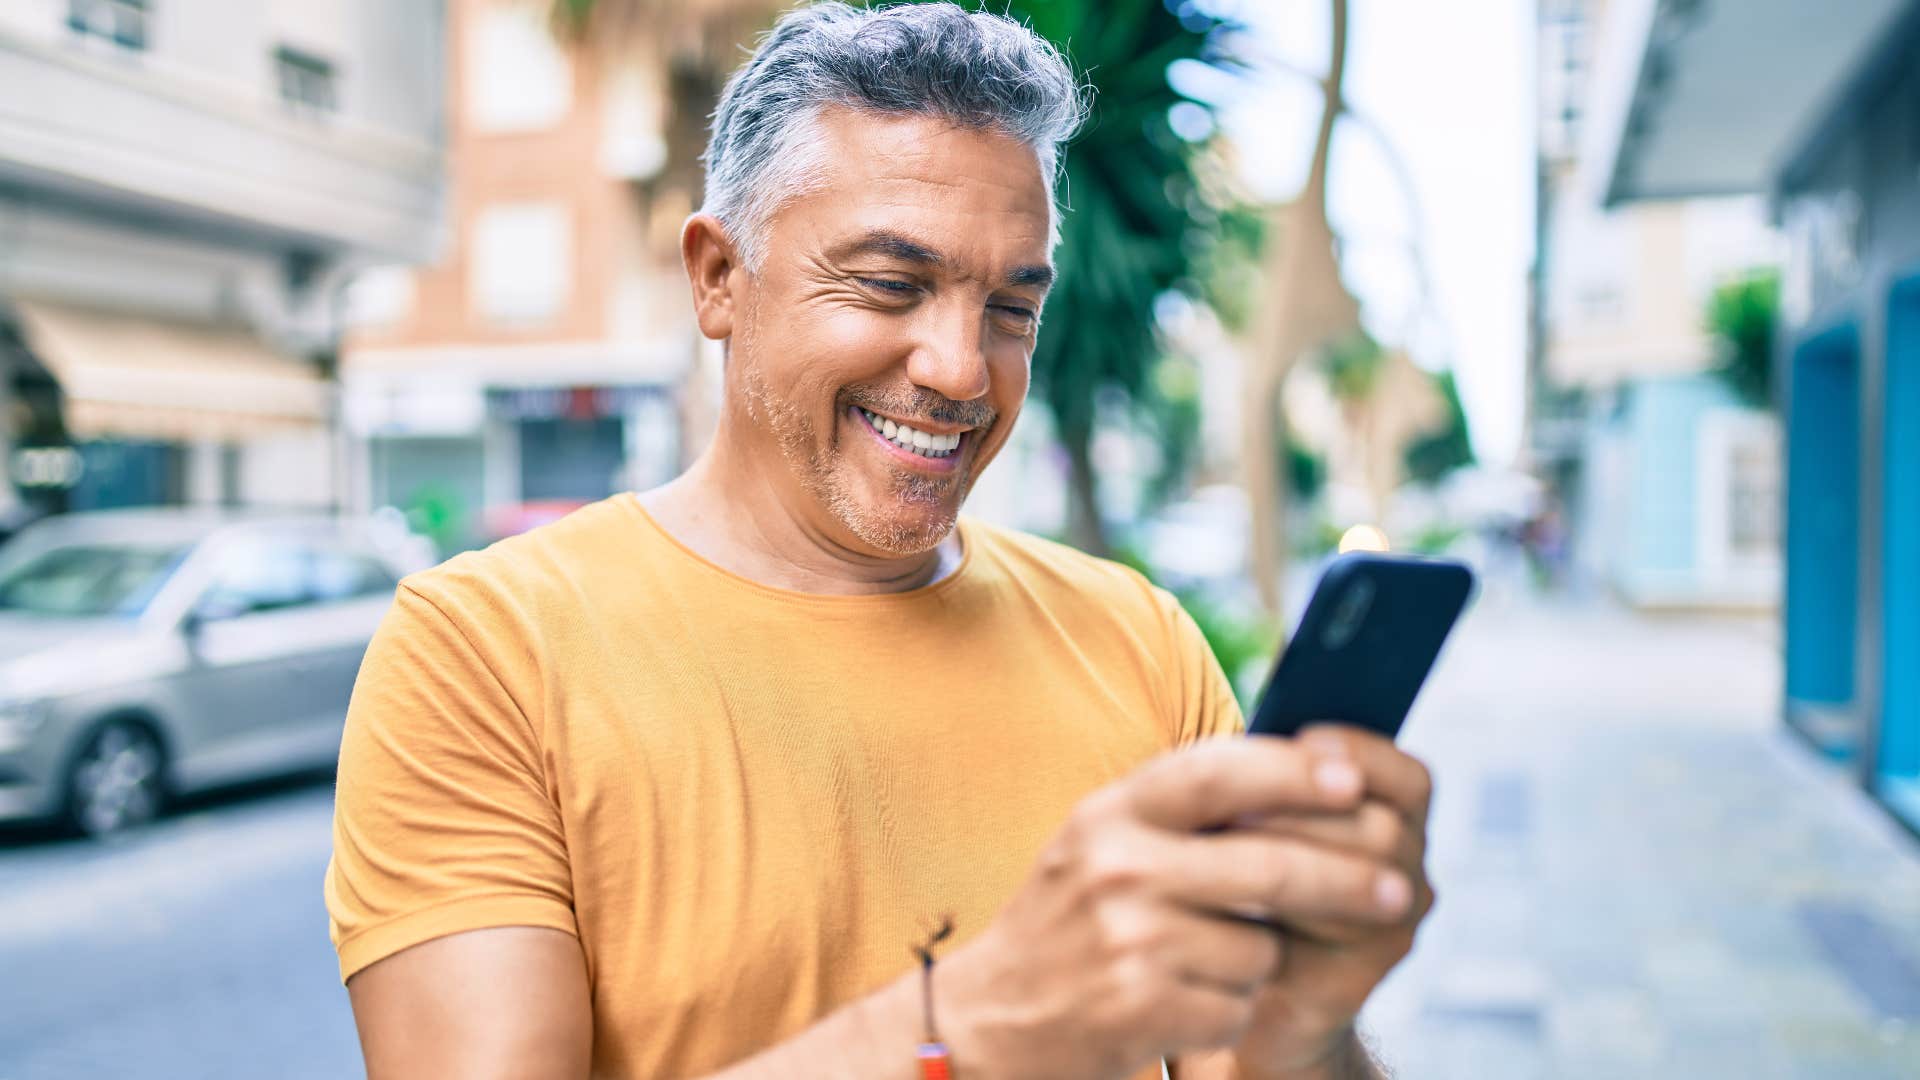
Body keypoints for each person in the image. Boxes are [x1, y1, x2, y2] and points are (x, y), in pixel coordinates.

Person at [326, 4, 1435, 1078]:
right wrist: (981, 1016)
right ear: (719, 276)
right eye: (891, 284)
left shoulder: (1139, 640)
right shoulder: (483, 653)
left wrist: (1306, 1032)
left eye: (1011, 308)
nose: (961, 369)